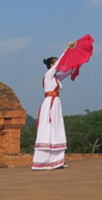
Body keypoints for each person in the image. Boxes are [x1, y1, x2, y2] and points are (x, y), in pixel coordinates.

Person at [32, 42, 77, 171]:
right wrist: (67, 50)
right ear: (52, 65)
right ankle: (43, 161)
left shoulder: (56, 78)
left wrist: (76, 64)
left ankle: (56, 161)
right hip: (50, 103)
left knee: (57, 129)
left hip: (56, 103)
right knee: (48, 128)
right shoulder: (48, 76)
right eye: (56, 62)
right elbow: (59, 65)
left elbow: (67, 73)